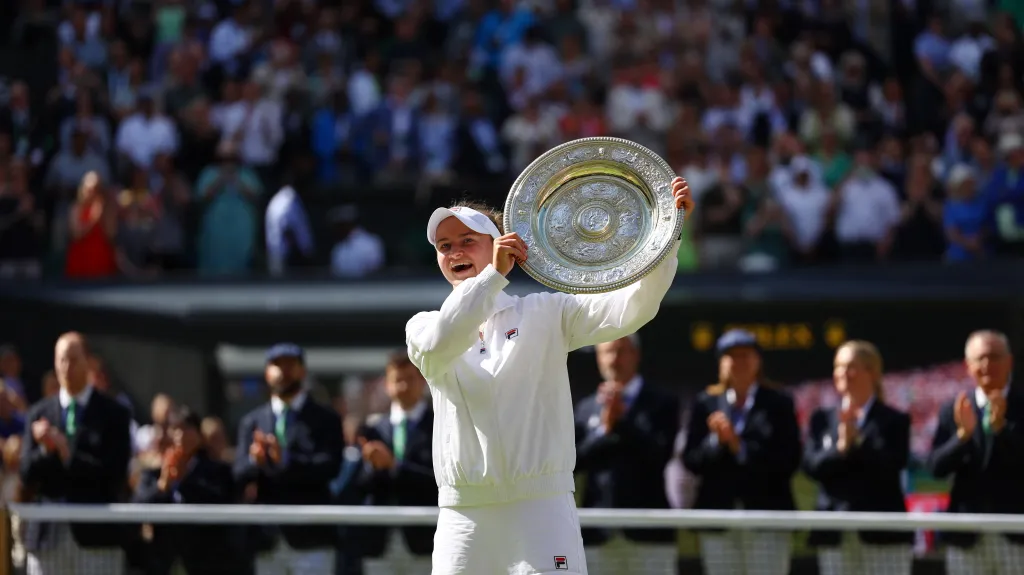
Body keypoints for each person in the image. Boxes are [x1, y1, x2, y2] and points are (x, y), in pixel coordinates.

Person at [406, 177, 692, 575]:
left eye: (467, 240)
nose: (454, 251)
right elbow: (442, 343)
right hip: (464, 514)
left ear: (498, 245)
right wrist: (492, 279)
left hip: (541, 508)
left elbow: (633, 307)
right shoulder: (423, 326)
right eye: (445, 246)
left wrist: (669, 235)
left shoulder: (546, 311)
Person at [681, 329, 801, 575]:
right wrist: (717, 441)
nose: (739, 362)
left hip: (767, 519)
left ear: (758, 361)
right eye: (731, 356)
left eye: (746, 355)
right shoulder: (706, 402)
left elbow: (788, 459)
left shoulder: (779, 403)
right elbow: (691, 459)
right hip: (718, 519)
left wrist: (739, 446)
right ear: (721, 363)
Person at [20, 332, 133, 575]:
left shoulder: (114, 413)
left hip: (96, 541)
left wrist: (64, 450)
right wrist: (45, 450)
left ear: (89, 363)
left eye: (73, 359)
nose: (66, 367)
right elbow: (26, 474)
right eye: (61, 360)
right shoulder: (39, 413)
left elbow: (114, 474)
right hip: (47, 540)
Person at [804, 341, 913, 575]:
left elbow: (892, 464)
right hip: (835, 533)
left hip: (883, 536)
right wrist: (841, 448)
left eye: (851, 366)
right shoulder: (821, 419)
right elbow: (811, 466)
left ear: (872, 372)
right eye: (838, 366)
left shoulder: (894, 420)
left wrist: (858, 443)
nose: (843, 373)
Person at [574, 335, 680, 575]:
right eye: (607, 352)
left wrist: (621, 423)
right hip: (597, 533)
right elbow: (574, 463)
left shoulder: (662, 402)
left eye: (621, 351)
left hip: (650, 531)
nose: (614, 359)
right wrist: (604, 430)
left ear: (636, 355)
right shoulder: (585, 407)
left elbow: (660, 455)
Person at [234, 343, 343, 575]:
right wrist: (257, 460)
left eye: (290, 365)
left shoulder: (325, 419)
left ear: (302, 371)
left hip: (311, 539)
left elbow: (330, 466)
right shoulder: (251, 421)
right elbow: (238, 472)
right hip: (267, 539)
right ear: (266, 372)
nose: (283, 371)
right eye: (276, 365)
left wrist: (285, 460)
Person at [928, 330, 1024, 575]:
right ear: (967, 365)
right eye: (979, 358)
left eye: (994, 357)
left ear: (1009, 361)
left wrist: (1002, 429)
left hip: (1017, 536)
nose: (986, 365)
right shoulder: (955, 409)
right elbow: (936, 468)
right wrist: (962, 436)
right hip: (966, 538)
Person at [357, 351, 436, 575]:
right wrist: (373, 466)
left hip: (424, 541)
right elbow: (357, 485)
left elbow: (440, 479)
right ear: (386, 384)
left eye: (409, 379)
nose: (402, 386)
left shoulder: (440, 424)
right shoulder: (373, 428)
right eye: (396, 380)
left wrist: (394, 466)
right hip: (379, 542)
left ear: (423, 381)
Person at [133, 405, 237, 575]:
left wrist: (184, 480)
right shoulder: (153, 473)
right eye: (175, 429)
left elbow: (220, 502)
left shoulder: (218, 471)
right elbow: (138, 506)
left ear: (199, 435)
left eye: (186, 429)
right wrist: (163, 485)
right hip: (164, 560)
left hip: (206, 560)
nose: (180, 436)